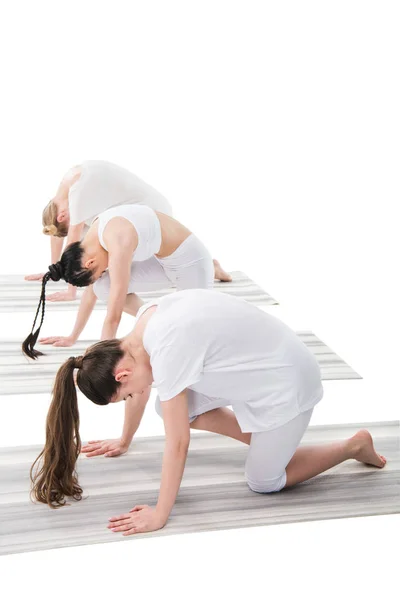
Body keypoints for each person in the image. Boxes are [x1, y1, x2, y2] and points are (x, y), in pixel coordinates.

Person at [29, 289, 386, 536]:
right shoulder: (145, 324)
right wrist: (124, 441)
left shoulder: (166, 348)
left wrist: (159, 514)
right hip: (262, 365)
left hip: (287, 383)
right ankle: (266, 439)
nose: (134, 396)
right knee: (170, 407)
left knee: (263, 482)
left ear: (121, 374)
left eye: (125, 396)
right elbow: (157, 399)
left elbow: (177, 444)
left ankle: (352, 446)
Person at [22, 204, 215, 355]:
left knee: (195, 332)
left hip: (193, 263)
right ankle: (156, 318)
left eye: (101, 270)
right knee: (103, 287)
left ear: (90, 263)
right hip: (162, 263)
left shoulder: (117, 243)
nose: (105, 271)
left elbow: (113, 317)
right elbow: (91, 293)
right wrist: (73, 336)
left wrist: (97, 360)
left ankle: (212, 269)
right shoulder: (91, 239)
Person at [24, 160, 231, 301]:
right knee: (100, 253)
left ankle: (205, 268)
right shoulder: (67, 184)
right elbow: (58, 235)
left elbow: (74, 243)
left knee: (120, 272)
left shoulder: (77, 195)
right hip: (130, 213)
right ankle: (209, 267)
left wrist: (70, 290)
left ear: (62, 217)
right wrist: (55, 270)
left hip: (150, 211)